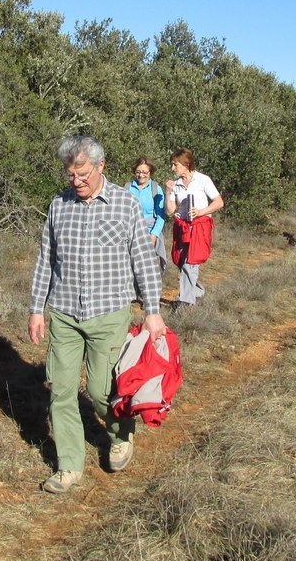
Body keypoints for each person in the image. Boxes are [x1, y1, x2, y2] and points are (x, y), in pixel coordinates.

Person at [29, 135, 167, 494]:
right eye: (71, 174)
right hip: (64, 313)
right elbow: (46, 259)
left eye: (83, 174)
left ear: (101, 167)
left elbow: (143, 259)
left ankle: (121, 435)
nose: (76, 181)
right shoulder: (59, 205)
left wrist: (152, 310)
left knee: (102, 390)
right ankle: (69, 466)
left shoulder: (124, 204)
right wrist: (36, 309)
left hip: (109, 313)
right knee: (60, 391)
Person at [165, 148, 223, 309]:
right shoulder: (175, 184)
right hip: (182, 227)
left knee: (190, 263)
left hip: (199, 227)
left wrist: (201, 212)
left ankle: (185, 303)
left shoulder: (203, 180)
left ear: (186, 164)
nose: (172, 168)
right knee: (181, 262)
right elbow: (170, 211)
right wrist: (168, 191)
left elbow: (219, 202)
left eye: (175, 165)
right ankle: (197, 291)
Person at [124, 157, 167, 271]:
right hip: (130, 233)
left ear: (150, 172)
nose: (141, 175)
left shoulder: (156, 189)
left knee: (147, 270)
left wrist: (154, 235)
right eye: (138, 172)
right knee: (130, 269)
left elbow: (161, 216)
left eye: (144, 172)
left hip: (149, 233)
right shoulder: (127, 188)